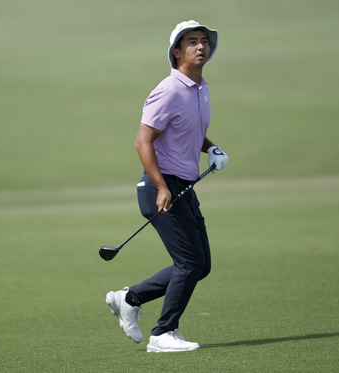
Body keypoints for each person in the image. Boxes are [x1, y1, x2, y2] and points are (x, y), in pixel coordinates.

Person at [105, 20, 229, 353]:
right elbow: (143, 141)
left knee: (199, 266)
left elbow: (188, 130)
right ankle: (163, 334)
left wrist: (211, 149)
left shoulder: (199, 89)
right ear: (177, 52)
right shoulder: (169, 89)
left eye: (204, 41)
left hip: (183, 186)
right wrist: (161, 187)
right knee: (189, 263)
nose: (201, 47)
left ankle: (130, 298)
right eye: (192, 42)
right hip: (162, 187)